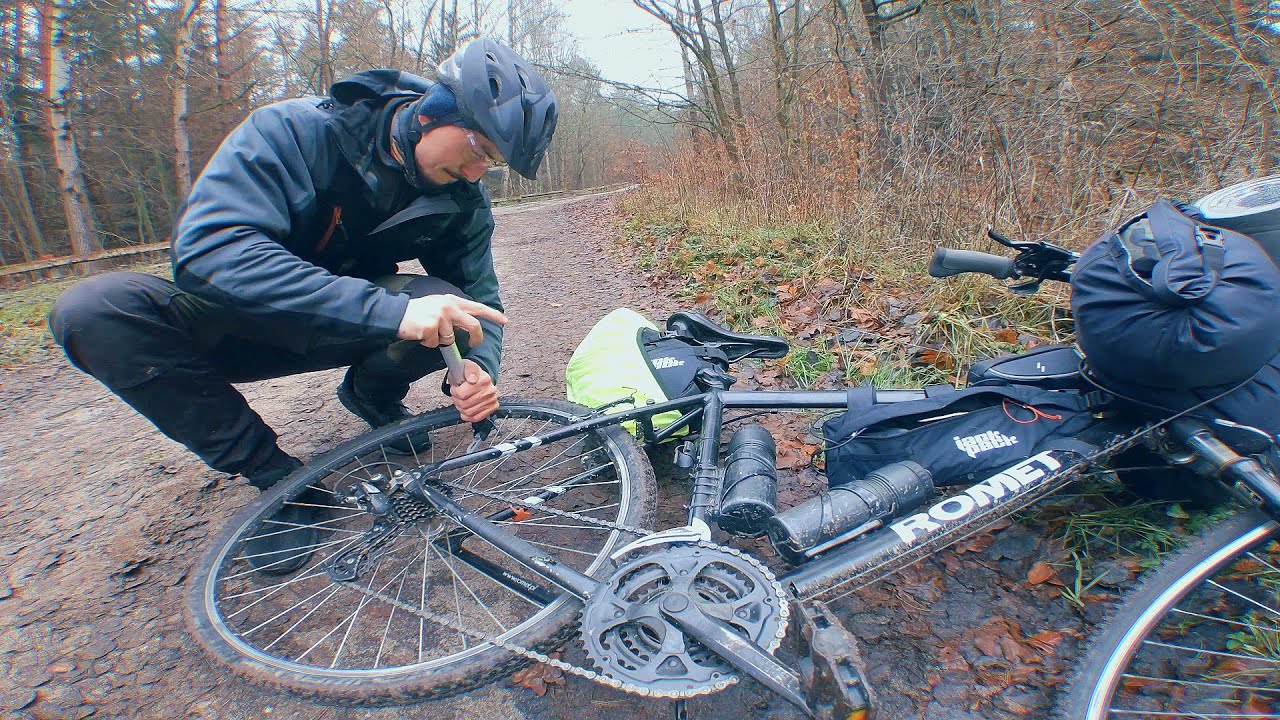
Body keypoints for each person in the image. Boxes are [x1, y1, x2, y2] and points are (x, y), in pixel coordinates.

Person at [47, 38, 558, 572]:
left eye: (492, 164)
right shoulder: (295, 132)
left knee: (453, 309)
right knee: (93, 309)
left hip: (335, 328)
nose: (478, 172)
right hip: (234, 324)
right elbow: (209, 251)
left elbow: (480, 296)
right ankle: (280, 482)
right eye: (479, 149)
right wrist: (392, 312)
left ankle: (372, 396)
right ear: (433, 111)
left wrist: (477, 366)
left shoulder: (460, 199)